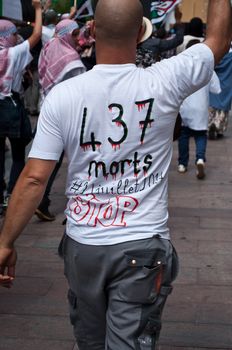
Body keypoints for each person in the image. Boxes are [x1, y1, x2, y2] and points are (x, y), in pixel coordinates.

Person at [0, 1, 231, 349]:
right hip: (141, 247)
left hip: (84, 246)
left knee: (89, 342)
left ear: (91, 32)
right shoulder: (166, 79)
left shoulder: (63, 95)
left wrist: (5, 242)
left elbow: (34, 178)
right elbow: (217, 41)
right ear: (140, 34)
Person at [35, 18, 86, 221]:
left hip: (48, 108)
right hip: (68, 115)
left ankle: (43, 200)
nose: (78, 38)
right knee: (78, 159)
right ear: (69, 35)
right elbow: (80, 89)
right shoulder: (70, 59)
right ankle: (76, 205)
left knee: (52, 160)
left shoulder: (50, 46)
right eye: (76, 34)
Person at [0, 0, 42, 216]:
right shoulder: (13, 54)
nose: (17, 37)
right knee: (18, 154)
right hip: (10, 106)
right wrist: (37, 10)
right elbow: (36, 37)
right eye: (14, 33)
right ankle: (10, 196)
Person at [177, 39, 221, 179]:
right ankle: (200, 159)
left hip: (185, 108)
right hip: (201, 109)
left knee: (183, 135)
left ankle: (182, 164)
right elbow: (217, 89)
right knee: (200, 135)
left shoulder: (180, 68)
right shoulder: (207, 69)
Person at [208, 46, 232, 139]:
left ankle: (210, 125)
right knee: (223, 109)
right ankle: (219, 129)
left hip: (215, 82)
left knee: (212, 106)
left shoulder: (216, 53)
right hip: (227, 84)